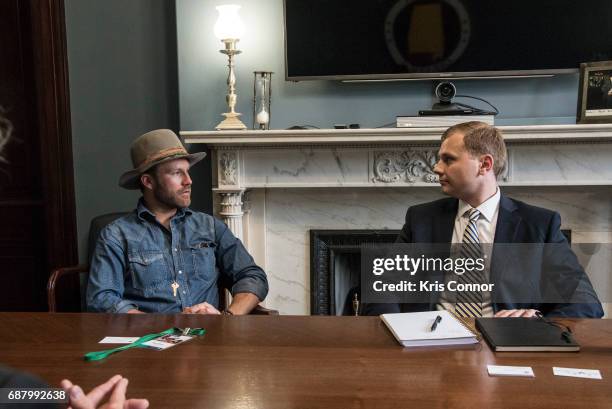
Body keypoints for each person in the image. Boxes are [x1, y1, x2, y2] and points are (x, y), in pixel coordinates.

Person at [364, 121, 603, 318]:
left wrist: (536, 322)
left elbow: (585, 302)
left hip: (504, 346)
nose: (436, 168)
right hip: (430, 344)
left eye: (448, 159)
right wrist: (399, 331)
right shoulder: (421, 219)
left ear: (485, 164)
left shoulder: (540, 225)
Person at [87, 129, 268, 314]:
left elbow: (252, 276)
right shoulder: (116, 235)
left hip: (208, 336)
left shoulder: (210, 227)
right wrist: (162, 325)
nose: (188, 181)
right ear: (148, 181)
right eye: (176, 173)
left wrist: (228, 317)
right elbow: (102, 298)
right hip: (149, 338)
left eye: (187, 172)